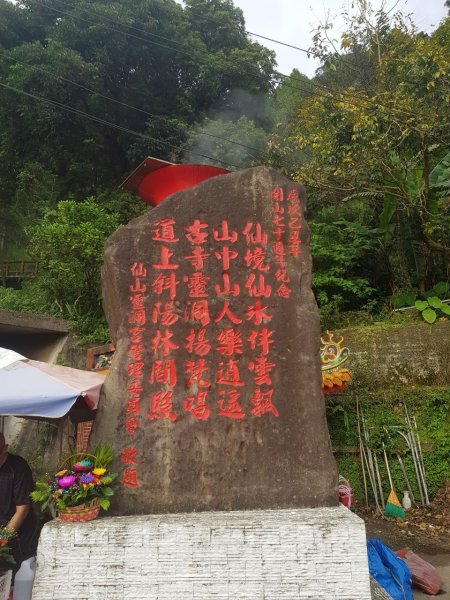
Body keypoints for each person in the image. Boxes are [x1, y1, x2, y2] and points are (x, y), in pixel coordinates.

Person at [0, 432, 39, 572]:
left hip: (18, 535)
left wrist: (2, 540)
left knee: (15, 579)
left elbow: (22, 510)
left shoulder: (17, 467)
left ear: (5, 449)